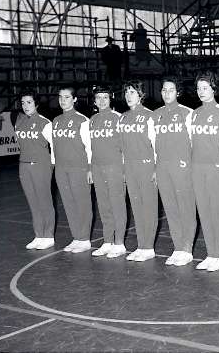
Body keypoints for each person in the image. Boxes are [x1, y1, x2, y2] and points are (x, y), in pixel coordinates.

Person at [191, 71, 219, 272]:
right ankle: (210, 253)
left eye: (205, 88)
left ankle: (218, 255)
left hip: (216, 169)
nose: (201, 92)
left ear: (214, 89)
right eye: (199, 88)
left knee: (217, 212)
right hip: (198, 169)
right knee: (204, 212)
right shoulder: (194, 114)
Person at [153, 76, 196, 267]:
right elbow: (153, 143)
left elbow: (195, 143)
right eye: (164, 90)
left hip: (182, 168)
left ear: (178, 92)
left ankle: (187, 248)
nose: (167, 93)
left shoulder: (188, 113)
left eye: (171, 90)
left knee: (186, 208)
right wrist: (156, 167)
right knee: (171, 209)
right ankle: (178, 247)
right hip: (163, 167)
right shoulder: (156, 115)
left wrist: (189, 164)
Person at [119, 80, 157, 262]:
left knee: (148, 208)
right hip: (130, 167)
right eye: (126, 92)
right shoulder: (123, 117)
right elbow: (121, 147)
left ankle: (148, 247)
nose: (128, 96)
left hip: (146, 166)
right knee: (136, 207)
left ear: (141, 95)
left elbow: (156, 145)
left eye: (132, 92)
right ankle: (141, 245)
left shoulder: (150, 116)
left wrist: (155, 168)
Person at [52, 85, 93, 253]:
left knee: (82, 204)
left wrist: (90, 168)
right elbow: (54, 147)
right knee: (68, 204)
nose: (63, 100)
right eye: (60, 97)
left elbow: (90, 147)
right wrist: (54, 166)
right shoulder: (56, 121)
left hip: (78, 168)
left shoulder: (82, 120)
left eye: (67, 97)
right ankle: (76, 237)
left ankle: (84, 239)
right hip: (61, 169)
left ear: (74, 99)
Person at [88, 87, 127, 259]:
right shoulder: (92, 120)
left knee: (117, 205)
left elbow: (125, 146)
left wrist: (124, 170)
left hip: (115, 167)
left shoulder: (119, 118)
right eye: (99, 98)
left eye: (105, 97)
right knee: (104, 206)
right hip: (98, 168)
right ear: (94, 100)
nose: (102, 101)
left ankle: (119, 243)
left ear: (110, 99)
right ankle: (107, 241)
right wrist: (91, 168)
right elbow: (91, 147)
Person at [15, 91, 55, 250]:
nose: (25, 106)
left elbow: (54, 147)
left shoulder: (45, 123)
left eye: (29, 102)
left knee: (44, 201)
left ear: (36, 104)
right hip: (24, 165)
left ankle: (48, 236)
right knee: (33, 202)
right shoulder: (19, 122)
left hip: (40, 165)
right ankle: (39, 235)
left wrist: (52, 166)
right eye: (23, 103)